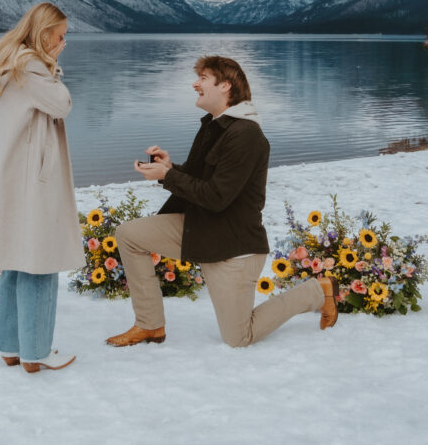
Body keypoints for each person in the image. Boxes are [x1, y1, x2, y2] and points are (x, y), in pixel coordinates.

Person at [106, 55, 338, 349]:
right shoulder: (214, 126)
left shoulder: (246, 135)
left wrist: (168, 176)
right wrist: (170, 168)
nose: (194, 84)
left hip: (232, 246)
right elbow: (199, 179)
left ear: (225, 85)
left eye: (202, 78)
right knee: (130, 235)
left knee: (239, 337)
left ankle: (319, 290)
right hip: (200, 229)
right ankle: (149, 325)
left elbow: (216, 197)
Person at [0, 2, 79, 373]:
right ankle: (36, 350)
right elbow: (62, 103)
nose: (64, 42)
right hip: (34, 177)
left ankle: (10, 345)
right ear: (44, 34)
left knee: (17, 260)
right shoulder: (32, 68)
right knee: (41, 258)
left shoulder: (12, 63)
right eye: (60, 36)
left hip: (15, 173)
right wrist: (52, 66)